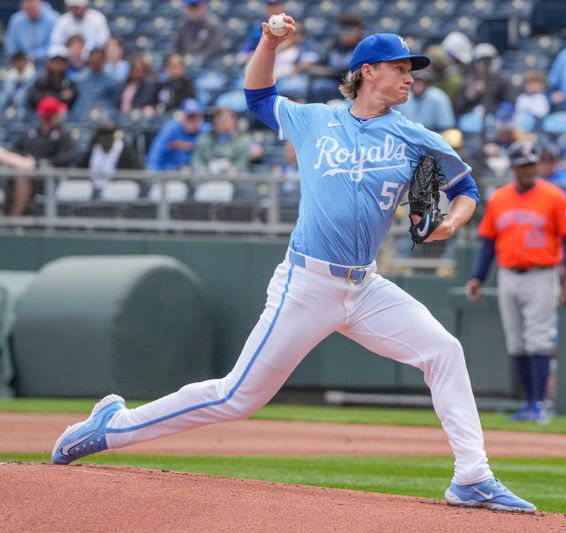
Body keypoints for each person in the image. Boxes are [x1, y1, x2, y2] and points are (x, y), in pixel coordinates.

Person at [51, 21, 537, 513]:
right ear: (367, 72)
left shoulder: (416, 137)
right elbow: (259, 96)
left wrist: (451, 224)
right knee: (237, 397)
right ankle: (112, 426)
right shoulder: (315, 120)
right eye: (400, 68)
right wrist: (270, 42)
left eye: (411, 70)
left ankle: (472, 477)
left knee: (444, 350)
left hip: (364, 288)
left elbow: (466, 191)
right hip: (306, 284)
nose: (410, 78)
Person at [464, 140, 566, 423]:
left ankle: (539, 405)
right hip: (507, 274)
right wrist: (478, 277)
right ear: (514, 167)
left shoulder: (554, 196)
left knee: (538, 340)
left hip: (542, 274)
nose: (529, 169)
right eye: (524, 165)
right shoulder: (500, 198)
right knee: (516, 342)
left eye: (532, 164)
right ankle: (528, 403)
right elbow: (489, 243)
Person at [7, 96, 75, 216]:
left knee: (22, 176)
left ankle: (14, 218)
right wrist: (25, 159)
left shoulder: (63, 135)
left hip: (48, 177)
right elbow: (16, 150)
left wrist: (40, 162)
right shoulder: (31, 132)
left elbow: (66, 157)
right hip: (24, 173)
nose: (59, 116)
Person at [78, 121, 143, 197]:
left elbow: (137, 170)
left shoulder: (124, 150)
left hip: (116, 190)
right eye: (102, 135)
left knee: (126, 188)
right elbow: (81, 169)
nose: (105, 138)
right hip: (93, 189)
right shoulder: (93, 149)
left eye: (108, 134)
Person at [146, 98, 210, 171]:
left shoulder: (206, 131)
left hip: (198, 176)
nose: (193, 121)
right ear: (182, 117)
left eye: (196, 117)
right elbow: (155, 156)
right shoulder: (171, 129)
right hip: (171, 175)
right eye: (190, 117)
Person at [191, 106, 252, 174]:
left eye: (227, 119)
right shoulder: (204, 140)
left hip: (233, 180)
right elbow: (197, 161)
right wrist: (205, 170)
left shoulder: (242, 141)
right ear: (214, 123)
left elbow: (242, 163)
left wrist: (232, 168)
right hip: (207, 178)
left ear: (234, 122)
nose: (224, 122)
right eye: (219, 118)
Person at [70, 46, 118, 120]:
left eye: (98, 61)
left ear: (103, 61)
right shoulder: (79, 79)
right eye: (93, 61)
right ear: (89, 60)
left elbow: (113, 101)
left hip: (103, 115)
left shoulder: (112, 81)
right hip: (81, 113)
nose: (95, 64)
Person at [27, 44, 78, 111]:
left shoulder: (70, 83)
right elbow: (32, 98)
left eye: (61, 62)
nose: (58, 66)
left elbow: (72, 102)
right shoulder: (40, 81)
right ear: (48, 63)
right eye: (55, 62)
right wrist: (59, 96)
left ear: (66, 64)